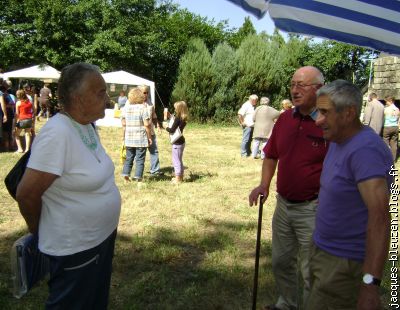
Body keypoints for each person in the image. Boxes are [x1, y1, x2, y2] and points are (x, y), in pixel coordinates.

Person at [15, 63, 121, 310]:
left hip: (98, 241)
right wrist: (38, 229)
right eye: (100, 92)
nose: (106, 99)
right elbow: (27, 194)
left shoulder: (86, 125)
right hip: (76, 248)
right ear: (77, 98)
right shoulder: (57, 133)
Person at [307, 80, 392, 310]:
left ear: (349, 113)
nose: (317, 120)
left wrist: (369, 284)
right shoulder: (337, 139)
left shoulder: (365, 150)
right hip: (323, 250)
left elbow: (381, 218)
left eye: (325, 112)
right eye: (317, 111)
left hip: (344, 265)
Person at [249, 66, 327, 310]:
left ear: (319, 88)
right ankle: (286, 304)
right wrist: (264, 184)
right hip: (284, 205)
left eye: (301, 85)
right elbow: (271, 155)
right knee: (281, 262)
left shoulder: (327, 122)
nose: (294, 90)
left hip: (314, 207)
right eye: (292, 84)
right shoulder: (284, 119)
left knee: (311, 269)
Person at [121, 87, 152, 183]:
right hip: (140, 139)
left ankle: (126, 176)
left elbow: (123, 124)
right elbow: (147, 124)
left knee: (129, 158)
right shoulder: (143, 108)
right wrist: (149, 137)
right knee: (140, 159)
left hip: (129, 138)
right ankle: (138, 178)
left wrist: (123, 136)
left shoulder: (125, 108)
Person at [139, 85, 162, 176]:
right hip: (140, 132)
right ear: (140, 93)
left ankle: (155, 171)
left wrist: (158, 126)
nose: (146, 94)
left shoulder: (150, 103)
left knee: (154, 151)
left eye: (147, 92)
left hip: (151, 131)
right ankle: (138, 172)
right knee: (140, 152)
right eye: (144, 92)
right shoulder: (135, 103)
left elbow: (154, 116)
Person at [166, 101, 188, 184]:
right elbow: (176, 122)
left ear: (179, 109)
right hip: (181, 141)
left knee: (176, 160)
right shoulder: (183, 117)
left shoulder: (178, 118)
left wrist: (166, 127)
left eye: (175, 108)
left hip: (177, 142)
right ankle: (180, 177)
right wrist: (171, 116)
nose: (174, 109)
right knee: (179, 159)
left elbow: (172, 130)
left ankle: (178, 178)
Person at [14, 89, 34, 153]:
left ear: (19, 95)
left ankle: (20, 149)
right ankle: (27, 149)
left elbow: (17, 114)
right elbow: (33, 110)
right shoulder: (30, 102)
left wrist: (16, 122)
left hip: (22, 119)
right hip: (29, 119)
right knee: (27, 134)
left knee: (16, 134)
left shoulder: (18, 103)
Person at [383, 96, 399, 160]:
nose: (386, 103)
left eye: (386, 101)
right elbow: (398, 120)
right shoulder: (397, 109)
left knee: (385, 142)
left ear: (390, 101)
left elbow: (383, 118)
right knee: (394, 143)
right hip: (395, 127)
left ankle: (386, 158)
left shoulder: (386, 109)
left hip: (387, 127)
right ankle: (393, 158)